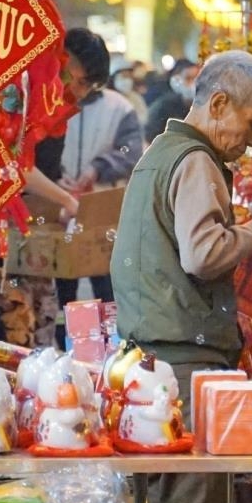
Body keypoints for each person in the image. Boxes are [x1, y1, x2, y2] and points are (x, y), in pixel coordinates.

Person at [109, 50, 252, 503]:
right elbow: (203, 254)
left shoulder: (161, 153)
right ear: (218, 104)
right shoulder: (195, 159)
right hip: (184, 362)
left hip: (148, 358)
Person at [56, 29, 143, 310]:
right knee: (60, 290)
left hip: (103, 212)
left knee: (106, 288)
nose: (80, 89)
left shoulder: (119, 108)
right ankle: (61, 338)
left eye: (87, 82)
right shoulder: (49, 103)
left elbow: (132, 151)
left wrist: (99, 167)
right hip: (57, 208)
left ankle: (109, 344)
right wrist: (56, 176)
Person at [144, 59, 200, 143]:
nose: (194, 83)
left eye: (198, 78)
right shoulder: (164, 106)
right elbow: (152, 137)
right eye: (188, 78)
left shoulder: (205, 106)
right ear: (177, 81)